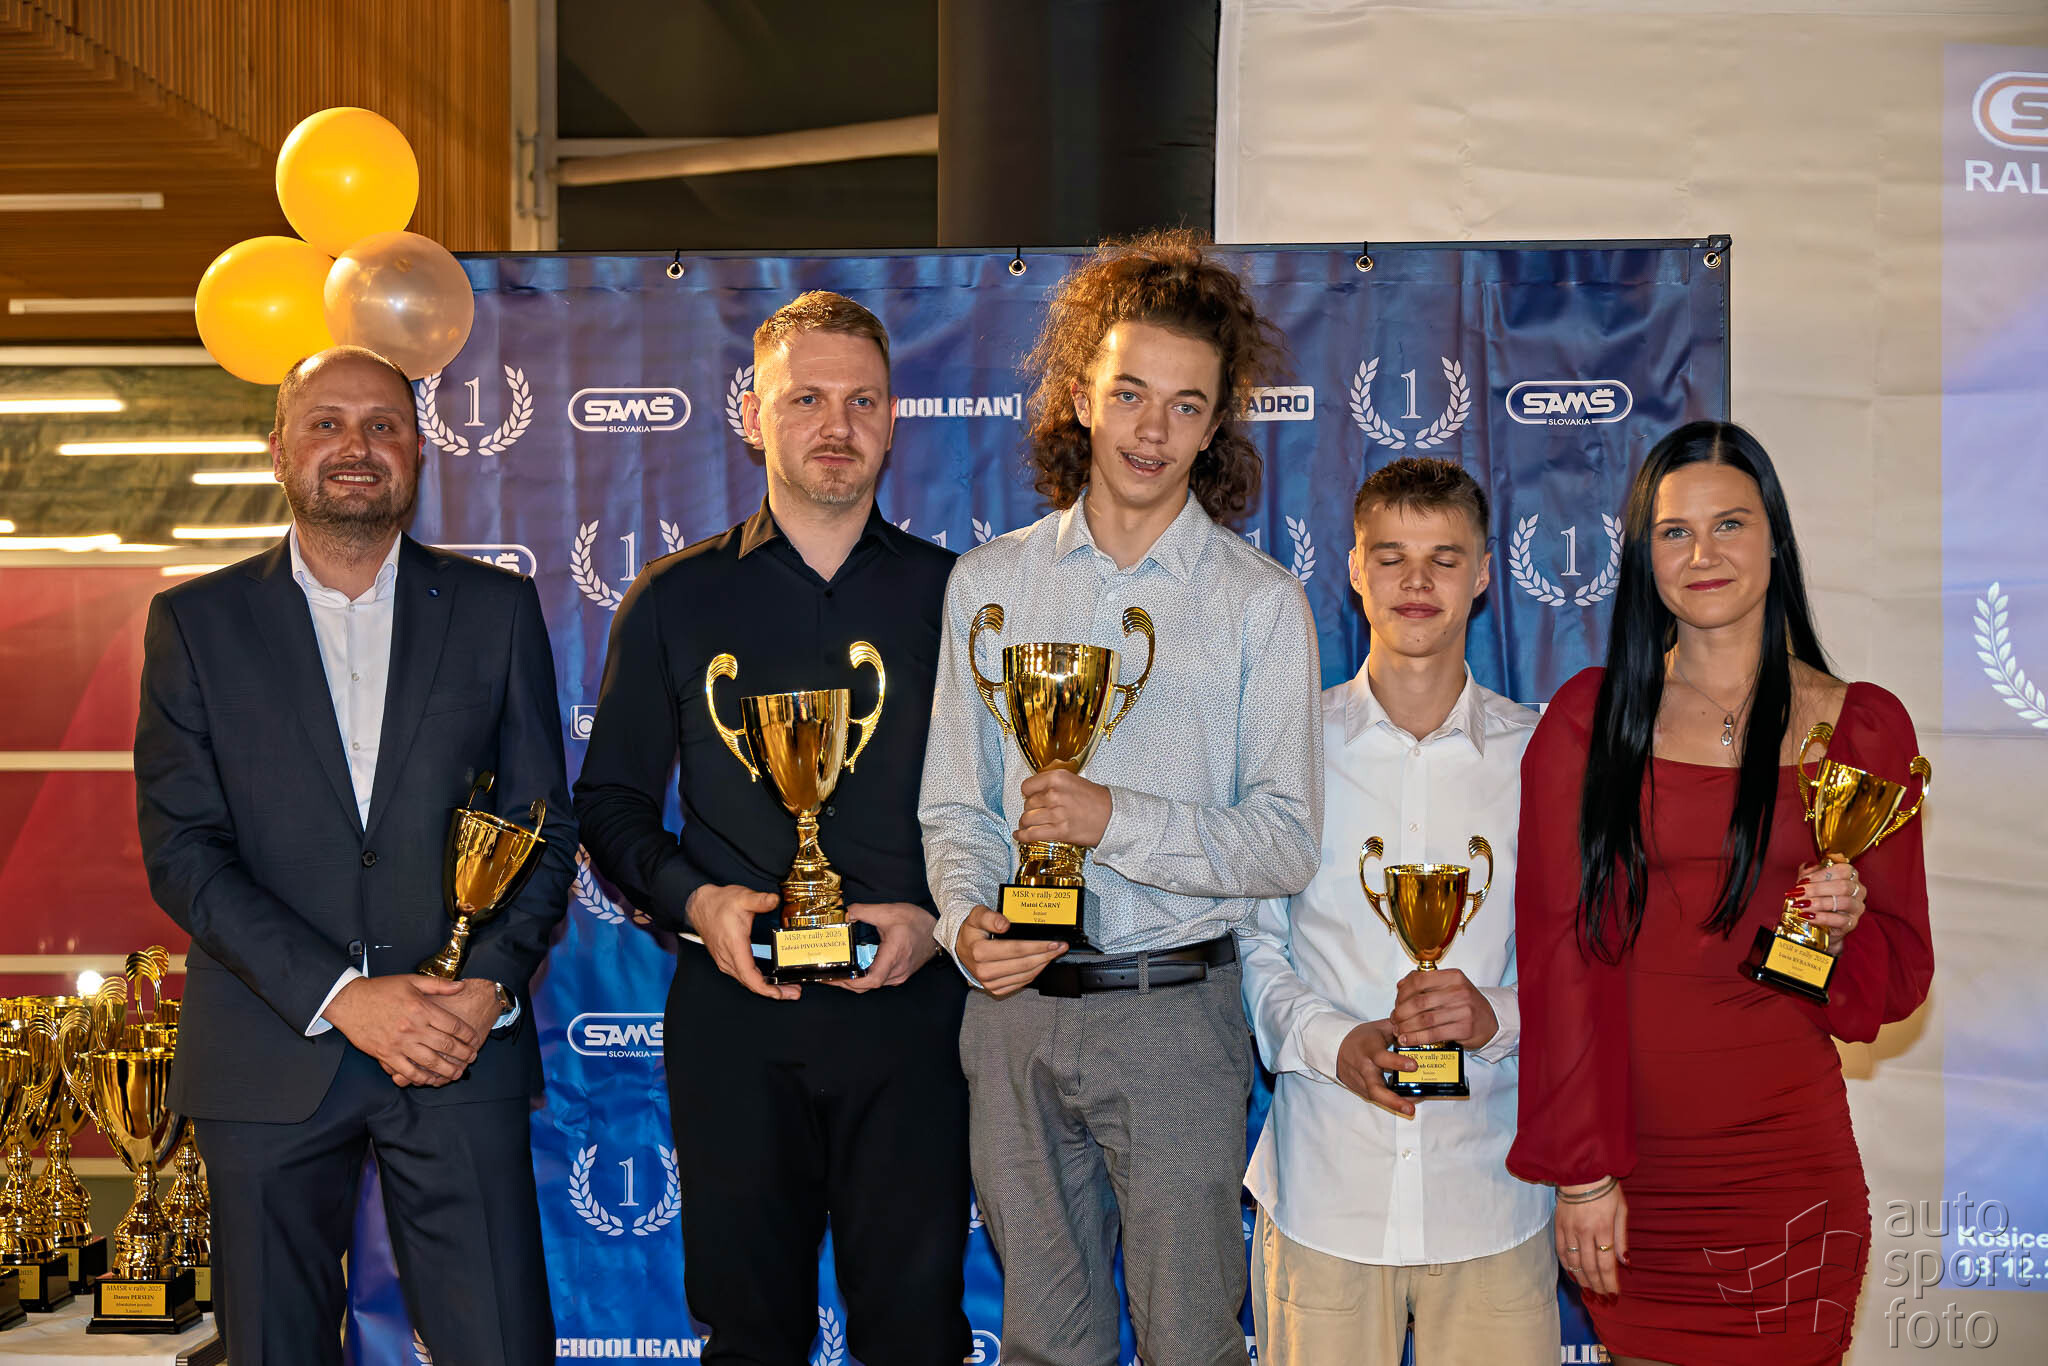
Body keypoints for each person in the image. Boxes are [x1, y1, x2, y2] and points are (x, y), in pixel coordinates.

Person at [920, 229, 1323, 1365]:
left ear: (1215, 423)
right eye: (1131, 393)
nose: (1152, 429)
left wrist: (1116, 821)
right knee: (1044, 1346)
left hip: (1176, 1015)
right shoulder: (988, 584)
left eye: (1186, 406)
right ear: (1079, 395)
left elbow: (1287, 841)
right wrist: (965, 922)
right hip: (1014, 1017)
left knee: (1191, 1341)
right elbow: (955, 807)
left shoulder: (1259, 604)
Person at [134, 345, 574, 1364]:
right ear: (278, 449)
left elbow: (542, 829)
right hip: (268, 1049)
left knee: (501, 1345)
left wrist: (484, 989)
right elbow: (184, 849)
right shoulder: (195, 623)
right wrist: (342, 995)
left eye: (382, 425)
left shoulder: (495, 610)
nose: (355, 446)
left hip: (456, 1045)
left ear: (418, 450)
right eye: (325, 424)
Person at [574, 292, 970, 1365]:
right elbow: (609, 801)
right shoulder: (673, 598)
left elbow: (1010, 803)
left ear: (893, 420)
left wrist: (939, 917)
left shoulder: (961, 598)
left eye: (861, 401)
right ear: (752, 415)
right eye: (806, 399)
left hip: (913, 1017)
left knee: (918, 1334)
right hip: (736, 1017)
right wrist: (696, 902)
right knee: (750, 1335)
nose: (836, 425)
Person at [1508, 420, 1932, 1366]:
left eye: (1729, 524)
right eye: (1675, 532)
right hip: (1639, 1182)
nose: (1703, 555)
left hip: (1790, 1171)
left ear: (1774, 538)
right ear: (1645, 556)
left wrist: (1842, 930)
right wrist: (1583, 1175)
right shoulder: (1588, 722)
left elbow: (1896, 982)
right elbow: (1560, 962)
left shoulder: (1861, 727)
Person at [1240, 457, 1557, 1364]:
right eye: (1391, 557)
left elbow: (1581, 960)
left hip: (1492, 1197)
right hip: (1327, 1195)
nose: (1417, 582)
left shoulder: (1541, 756)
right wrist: (1330, 1040)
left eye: (1444, 559)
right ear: (1353, 568)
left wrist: (1495, 1016)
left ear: (1484, 573)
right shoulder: (1289, 747)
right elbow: (1252, 941)